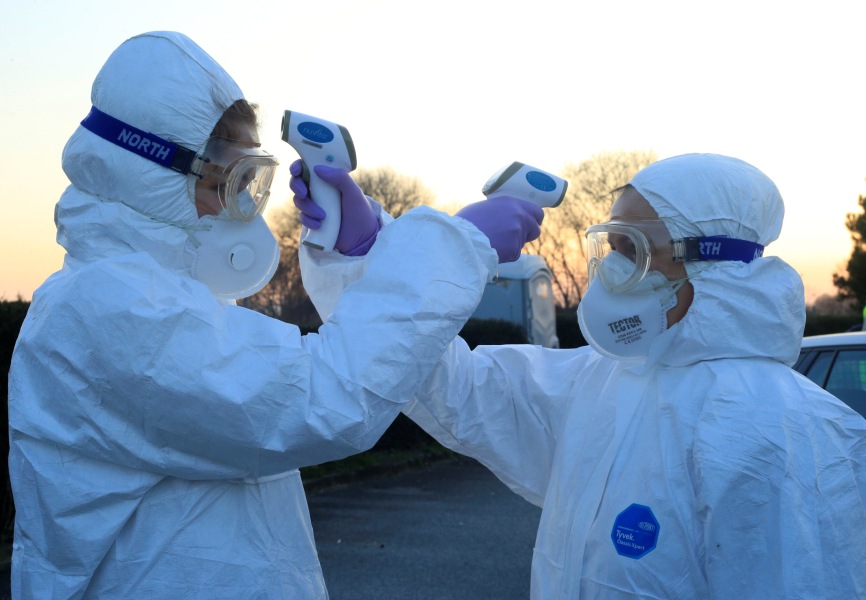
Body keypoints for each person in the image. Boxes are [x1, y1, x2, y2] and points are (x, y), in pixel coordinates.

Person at [6, 31, 544, 599]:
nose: (237, 207)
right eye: (230, 180)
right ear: (150, 170)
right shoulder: (106, 308)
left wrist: (360, 253)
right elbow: (325, 398)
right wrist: (451, 246)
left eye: (253, 181)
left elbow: (331, 377)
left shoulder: (158, 300)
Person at [297, 153, 866, 598]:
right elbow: (452, 384)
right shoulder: (601, 383)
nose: (612, 268)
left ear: (710, 262)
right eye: (610, 245)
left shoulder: (783, 431)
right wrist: (369, 259)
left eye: (632, 249)